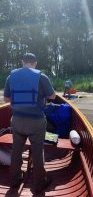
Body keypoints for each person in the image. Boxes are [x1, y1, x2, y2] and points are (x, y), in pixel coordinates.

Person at [3, 53, 56, 194]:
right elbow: (52, 96)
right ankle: (39, 184)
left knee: (16, 151)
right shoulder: (42, 76)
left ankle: (14, 180)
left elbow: (6, 100)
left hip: (17, 121)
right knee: (38, 153)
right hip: (36, 122)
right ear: (35, 63)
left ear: (22, 62)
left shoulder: (11, 76)